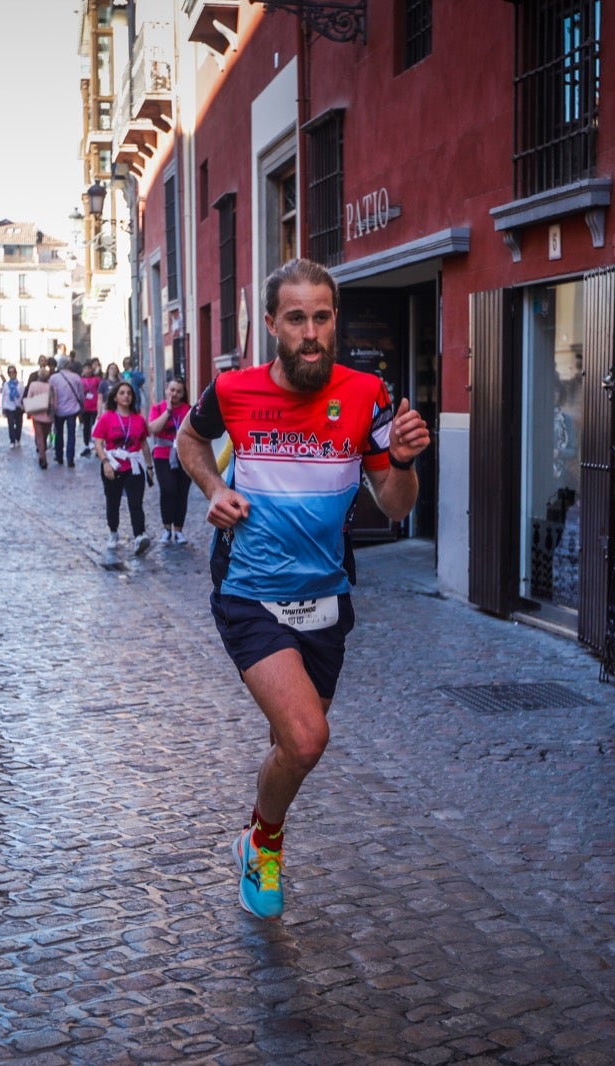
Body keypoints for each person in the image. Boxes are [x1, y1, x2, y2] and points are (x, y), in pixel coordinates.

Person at [176, 258, 430, 920]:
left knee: (291, 743)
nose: (311, 332)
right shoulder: (232, 390)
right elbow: (188, 441)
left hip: (327, 596)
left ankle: (257, 829)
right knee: (309, 737)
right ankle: (264, 844)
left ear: (334, 320)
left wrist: (401, 460)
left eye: (322, 317)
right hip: (249, 588)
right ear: (271, 324)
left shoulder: (368, 394)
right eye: (296, 318)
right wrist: (214, 487)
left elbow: (396, 504)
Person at [95, 380, 153, 555]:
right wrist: (105, 462)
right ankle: (113, 531)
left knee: (136, 502)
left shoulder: (139, 420)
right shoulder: (107, 418)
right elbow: (98, 443)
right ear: (115, 397)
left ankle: (139, 536)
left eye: (129, 393)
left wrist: (149, 467)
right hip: (113, 464)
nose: (126, 396)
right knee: (112, 501)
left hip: (134, 465)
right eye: (122, 393)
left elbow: (144, 444)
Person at [147, 377, 193, 545]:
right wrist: (167, 412)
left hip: (184, 454)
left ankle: (179, 530)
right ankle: (167, 528)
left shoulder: (188, 409)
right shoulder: (157, 408)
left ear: (183, 394)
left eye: (179, 392)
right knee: (168, 489)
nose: (174, 394)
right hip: (162, 454)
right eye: (172, 390)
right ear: (167, 390)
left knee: (182, 491)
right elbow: (153, 429)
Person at [48, 358, 86, 468]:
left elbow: (50, 394)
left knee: (58, 433)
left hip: (58, 410)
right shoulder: (76, 377)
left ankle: (59, 455)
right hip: (73, 410)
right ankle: (70, 458)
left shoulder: (53, 378)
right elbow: (81, 395)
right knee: (71, 434)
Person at [23, 368, 54, 469]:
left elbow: (29, 397)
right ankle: (43, 452)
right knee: (44, 436)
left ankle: (42, 457)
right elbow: (54, 401)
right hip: (48, 415)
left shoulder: (33, 385)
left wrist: (28, 411)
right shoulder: (51, 386)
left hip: (36, 414)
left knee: (39, 436)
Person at [80, 359, 102, 457]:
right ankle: (86, 445)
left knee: (95, 427)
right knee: (86, 427)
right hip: (85, 407)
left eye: (89, 368)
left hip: (94, 406)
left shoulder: (97, 379)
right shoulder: (81, 380)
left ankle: (97, 446)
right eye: (85, 369)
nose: (87, 370)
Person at [0, 365, 25, 447]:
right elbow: (3, 396)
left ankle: (18, 438)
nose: (12, 374)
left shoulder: (20, 384)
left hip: (18, 406)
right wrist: (3, 408)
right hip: (9, 407)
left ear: (16, 373)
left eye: (13, 372)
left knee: (19, 424)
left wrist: (23, 405)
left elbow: (23, 395)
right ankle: (12, 441)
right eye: (10, 372)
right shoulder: (6, 385)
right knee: (10, 424)